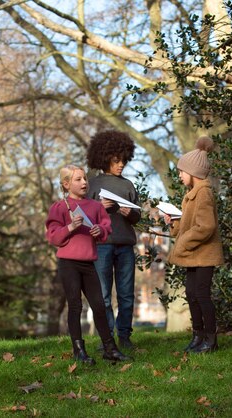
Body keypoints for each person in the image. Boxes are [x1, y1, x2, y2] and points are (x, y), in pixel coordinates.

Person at [46, 165, 131, 364]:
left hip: (89, 263)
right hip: (68, 264)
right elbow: (53, 237)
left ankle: (110, 349)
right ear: (66, 184)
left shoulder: (95, 206)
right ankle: (79, 351)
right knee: (75, 306)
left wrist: (99, 231)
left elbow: (106, 227)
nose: (84, 182)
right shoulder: (59, 207)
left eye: (85, 178)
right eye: (78, 179)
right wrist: (70, 227)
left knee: (99, 305)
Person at [163, 136, 224, 353]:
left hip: (204, 254)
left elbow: (206, 226)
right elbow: (189, 225)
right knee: (190, 293)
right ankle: (197, 336)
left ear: (193, 172)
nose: (179, 175)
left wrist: (182, 244)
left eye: (181, 171)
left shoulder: (204, 193)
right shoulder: (190, 195)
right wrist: (175, 222)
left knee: (202, 294)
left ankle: (210, 339)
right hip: (193, 254)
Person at [86, 130, 141, 350]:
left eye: (124, 161)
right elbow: (84, 218)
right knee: (104, 295)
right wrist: (99, 208)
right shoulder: (92, 184)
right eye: (117, 161)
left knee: (126, 295)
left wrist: (131, 214)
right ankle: (106, 338)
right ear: (105, 157)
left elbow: (137, 216)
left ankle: (125, 337)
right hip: (102, 246)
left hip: (126, 246)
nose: (121, 165)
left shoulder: (128, 185)